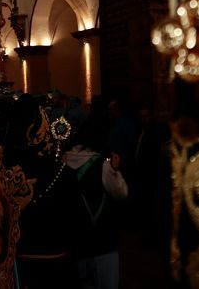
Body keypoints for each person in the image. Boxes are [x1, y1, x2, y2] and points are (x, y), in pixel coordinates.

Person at [65, 114, 129, 289]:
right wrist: (116, 170)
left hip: (75, 238)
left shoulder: (63, 161)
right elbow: (121, 192)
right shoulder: (103, 165)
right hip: (103, 240)